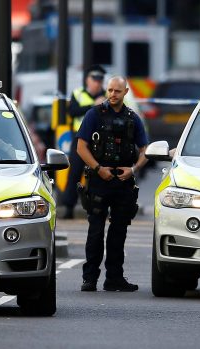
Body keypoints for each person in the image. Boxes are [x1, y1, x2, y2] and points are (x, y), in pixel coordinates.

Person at [76, 76, 149, 292]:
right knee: (96, 231)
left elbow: (146, 150)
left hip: (123, 182)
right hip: (99, 180)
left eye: (117, 91)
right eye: (110, 90)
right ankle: (90, 279)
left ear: (125, 92)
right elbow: (81, 147)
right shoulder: (94, 114)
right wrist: (99, 169)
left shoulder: (133, 119)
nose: (112, 94)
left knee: (119, 233)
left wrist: (133, 169)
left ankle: (114, 278)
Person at [61, 64, 107, 219]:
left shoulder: (107, 95)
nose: (97, 83)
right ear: (88, 79)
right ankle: (69, 208)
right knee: (74, 173)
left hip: (100, 140)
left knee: (99, 173)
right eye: (95, 79)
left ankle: (97, 208)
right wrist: (93, 106)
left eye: (100, 79)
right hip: (80, 139)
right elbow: (72, 112)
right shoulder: (78, 94)